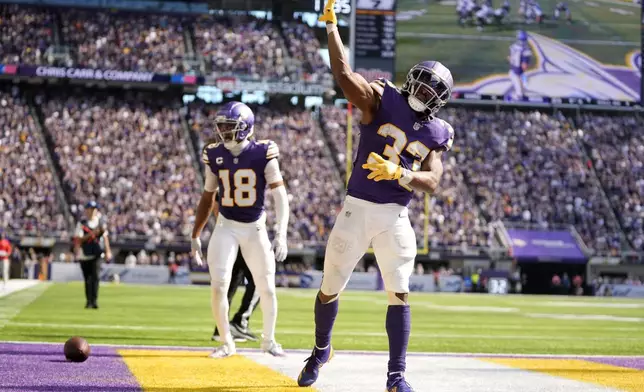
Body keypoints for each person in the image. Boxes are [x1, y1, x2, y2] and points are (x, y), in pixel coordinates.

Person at [298, 2, 455, 391]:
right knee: (330, 284)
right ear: (409, 80)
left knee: (399, 292)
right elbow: (344, 74)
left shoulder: (438, 133)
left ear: (440, 100)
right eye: (418, 83)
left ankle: (396, 375)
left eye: (429, 90)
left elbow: (434, 181)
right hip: (357, 207)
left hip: (394, 215)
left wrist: (400, 172)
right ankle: (321, 350)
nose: (420, 92)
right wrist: (332, 28)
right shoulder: (383, 98)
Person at [190, 101, 289, 358]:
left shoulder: (263, 151)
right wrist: (195, 234)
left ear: (245, 127)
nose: (222, 131)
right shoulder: (213, 154)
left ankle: (269, 340)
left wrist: (281, 232)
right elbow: (207, 195)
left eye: (228, 126)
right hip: (226, 226)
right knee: (218, 285)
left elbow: (280, 195)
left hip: (255, 228)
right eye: (220, 126)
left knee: (266, 286)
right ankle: (226, 342)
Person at [210, 194, 261, 343]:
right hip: (243, 236)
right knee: (259, 279)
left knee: (229, 286)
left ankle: (221, 330)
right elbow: (216, 204)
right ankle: (240, 322)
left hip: (229, 236)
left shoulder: (228, 175)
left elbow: (216, 205)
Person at [73, 201, 112, 309]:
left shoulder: (100, 222)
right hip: (84, 254)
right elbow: (78, 239)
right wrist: (91, 234)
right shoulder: (82, 223)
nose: (93, 211)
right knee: (87, 278)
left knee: (96, 277)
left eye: (95, 209)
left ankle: (94, 300)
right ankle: (88, 300)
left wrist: (108, 251)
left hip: (97, 253)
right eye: (91, 209)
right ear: (87, 210)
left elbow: (105, 237)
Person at [507, 30, 531, 101]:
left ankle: (519, 95)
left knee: (515, 77)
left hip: (516, 67)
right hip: (516, 67)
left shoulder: (514, 46)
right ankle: (521, 94)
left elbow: (523, 64)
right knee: (516, 77)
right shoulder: (525, 49)